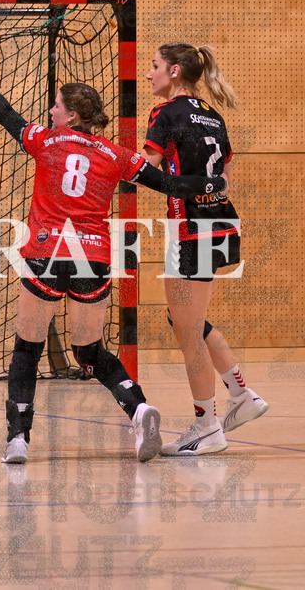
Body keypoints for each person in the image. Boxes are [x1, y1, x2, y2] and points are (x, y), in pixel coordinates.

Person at [0, 37, 228, 464]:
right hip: (94, 257)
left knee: (27, 349)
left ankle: (18, 440)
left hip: (46, 251)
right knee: (89, 351)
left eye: (56, 105)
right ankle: (139, 409)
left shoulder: (45, 140)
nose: (50, 111)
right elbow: (166, 184)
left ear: (70, 115)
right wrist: (209, 185)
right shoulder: (116, 153)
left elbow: (5, 115)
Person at [142, 43, 268, 456]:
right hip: (219, 224)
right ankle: (240, 395)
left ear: (175, 71)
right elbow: (225, 177)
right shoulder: (213, 115)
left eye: (155, 67)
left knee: (189, 331)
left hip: (192, 230)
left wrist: (102, 158)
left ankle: (208, 426)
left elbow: (146, 166)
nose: (149, 75)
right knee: (185, 322)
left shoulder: (166, 114)